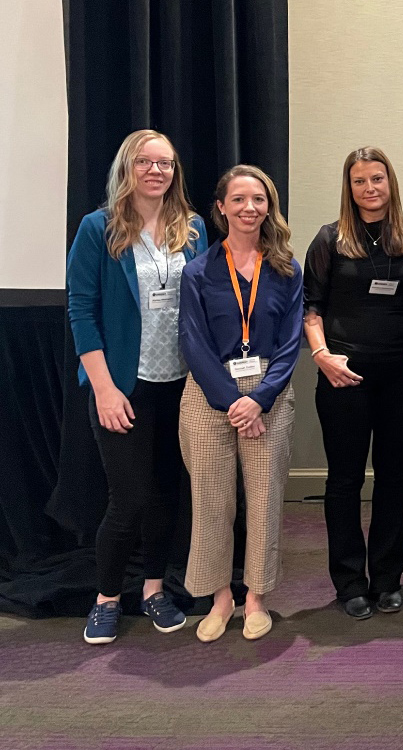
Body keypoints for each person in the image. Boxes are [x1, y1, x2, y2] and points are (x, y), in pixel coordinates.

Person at [67, 129, 208, 644]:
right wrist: (103, 388)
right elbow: (81, 311)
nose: (157, 171)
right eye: (146, 162)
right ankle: (106, 599)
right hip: (123, 385)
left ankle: (152, 590)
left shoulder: (191, 228)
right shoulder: (98, 228)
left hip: (180, 385)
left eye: (166, 163)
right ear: (127, 168)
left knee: (167, 493)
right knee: (127, 499)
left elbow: (201, 302)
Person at [303, 147, 403, 620]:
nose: (370, 188)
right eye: (360, 181)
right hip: (344, 376)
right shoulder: (329, 239)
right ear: (350, 187)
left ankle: (387, 578)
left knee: (394, 476)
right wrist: (322, 356)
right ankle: (348, 581)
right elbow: (311, 307)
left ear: (391, 182)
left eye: (377, 179)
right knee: (344, 479)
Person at [179, 164, 303, 642]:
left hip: (269, 395)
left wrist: (261, 400)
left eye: (258, 199)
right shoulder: (198, 271)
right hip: (211, 397)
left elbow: (291, 343)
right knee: (211, 500)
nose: (249, 208)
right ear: (221, 208)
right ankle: (219, 598)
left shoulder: (287, 270)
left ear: (269, 207)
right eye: (239, 200)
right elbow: (193, 341)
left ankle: (255, 596)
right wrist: (234, 401)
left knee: (265, 498)